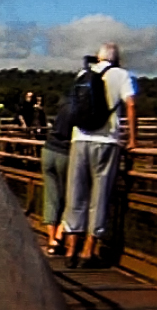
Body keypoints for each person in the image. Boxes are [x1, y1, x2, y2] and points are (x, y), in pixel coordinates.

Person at [64, 42, 139, 266]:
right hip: (107, 142)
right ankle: (88, 251)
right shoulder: (122, 75)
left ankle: (70, 251)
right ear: (116, 58)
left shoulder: (83, 73)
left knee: (75, 194)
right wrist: (132, 139)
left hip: (80, 138)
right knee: (100, 195)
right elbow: (131, 105)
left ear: (98, 57)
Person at [42, 96, 76, 257]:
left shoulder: (64, 103)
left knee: (51, 197)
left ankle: (51, 240)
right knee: (70, 196)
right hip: (65, 152)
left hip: (48, 149)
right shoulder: (82, 108)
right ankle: (60, 235)